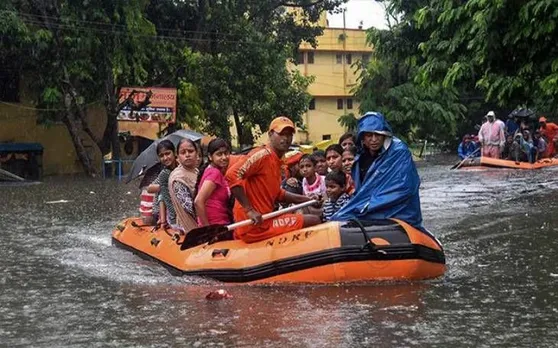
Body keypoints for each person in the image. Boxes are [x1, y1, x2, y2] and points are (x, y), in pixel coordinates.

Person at [226, 116, 321, 243]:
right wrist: (249, 210)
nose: (286, 138)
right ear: (270, 134)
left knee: (309, 217)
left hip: (265, 220)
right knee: (314, 220)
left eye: (289, 135)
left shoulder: (278, 161)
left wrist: (308, 199)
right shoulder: (263, 155)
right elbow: (232, 175)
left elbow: (278, 194)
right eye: (281, 134)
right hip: (255, 225)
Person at [332, 111, 424, 230]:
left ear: (385, 135)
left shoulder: (398, 152)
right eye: (369, 135)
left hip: (399, 210)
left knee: (345, 216)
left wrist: (366, 206)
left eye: (378, 135)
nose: (374, 140)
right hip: (371, 205)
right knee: (338, 218)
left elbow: (404, 187)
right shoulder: (361, 157)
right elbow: (363, 189)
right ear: (363, 137)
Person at [194, 138, 232, 227]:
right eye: (219, 154)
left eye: (226, 153)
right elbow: (198, 201)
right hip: (216, 225)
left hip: (218, 223)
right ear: (210, 157)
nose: (224, 157)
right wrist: (208, 229)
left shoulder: (212, 170)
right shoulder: (215, 173)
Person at [168, 138, 199, 232]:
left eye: (190, 151)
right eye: (183, 152)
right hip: (190, 226)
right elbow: (189, 207)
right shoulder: (178, 178)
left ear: (197, 154)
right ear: (177, 157)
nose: (187, 155)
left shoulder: (196, 171)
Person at [147, 140, 178, 228]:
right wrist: (167, 185)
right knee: (162, 191)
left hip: (177, 208)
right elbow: (149, 188)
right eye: (161, 156)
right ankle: (164, 221)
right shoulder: (164, 173)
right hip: (161, 210)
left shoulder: (181, 168)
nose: (165, 158)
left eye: (167, 153)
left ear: (174, 153)